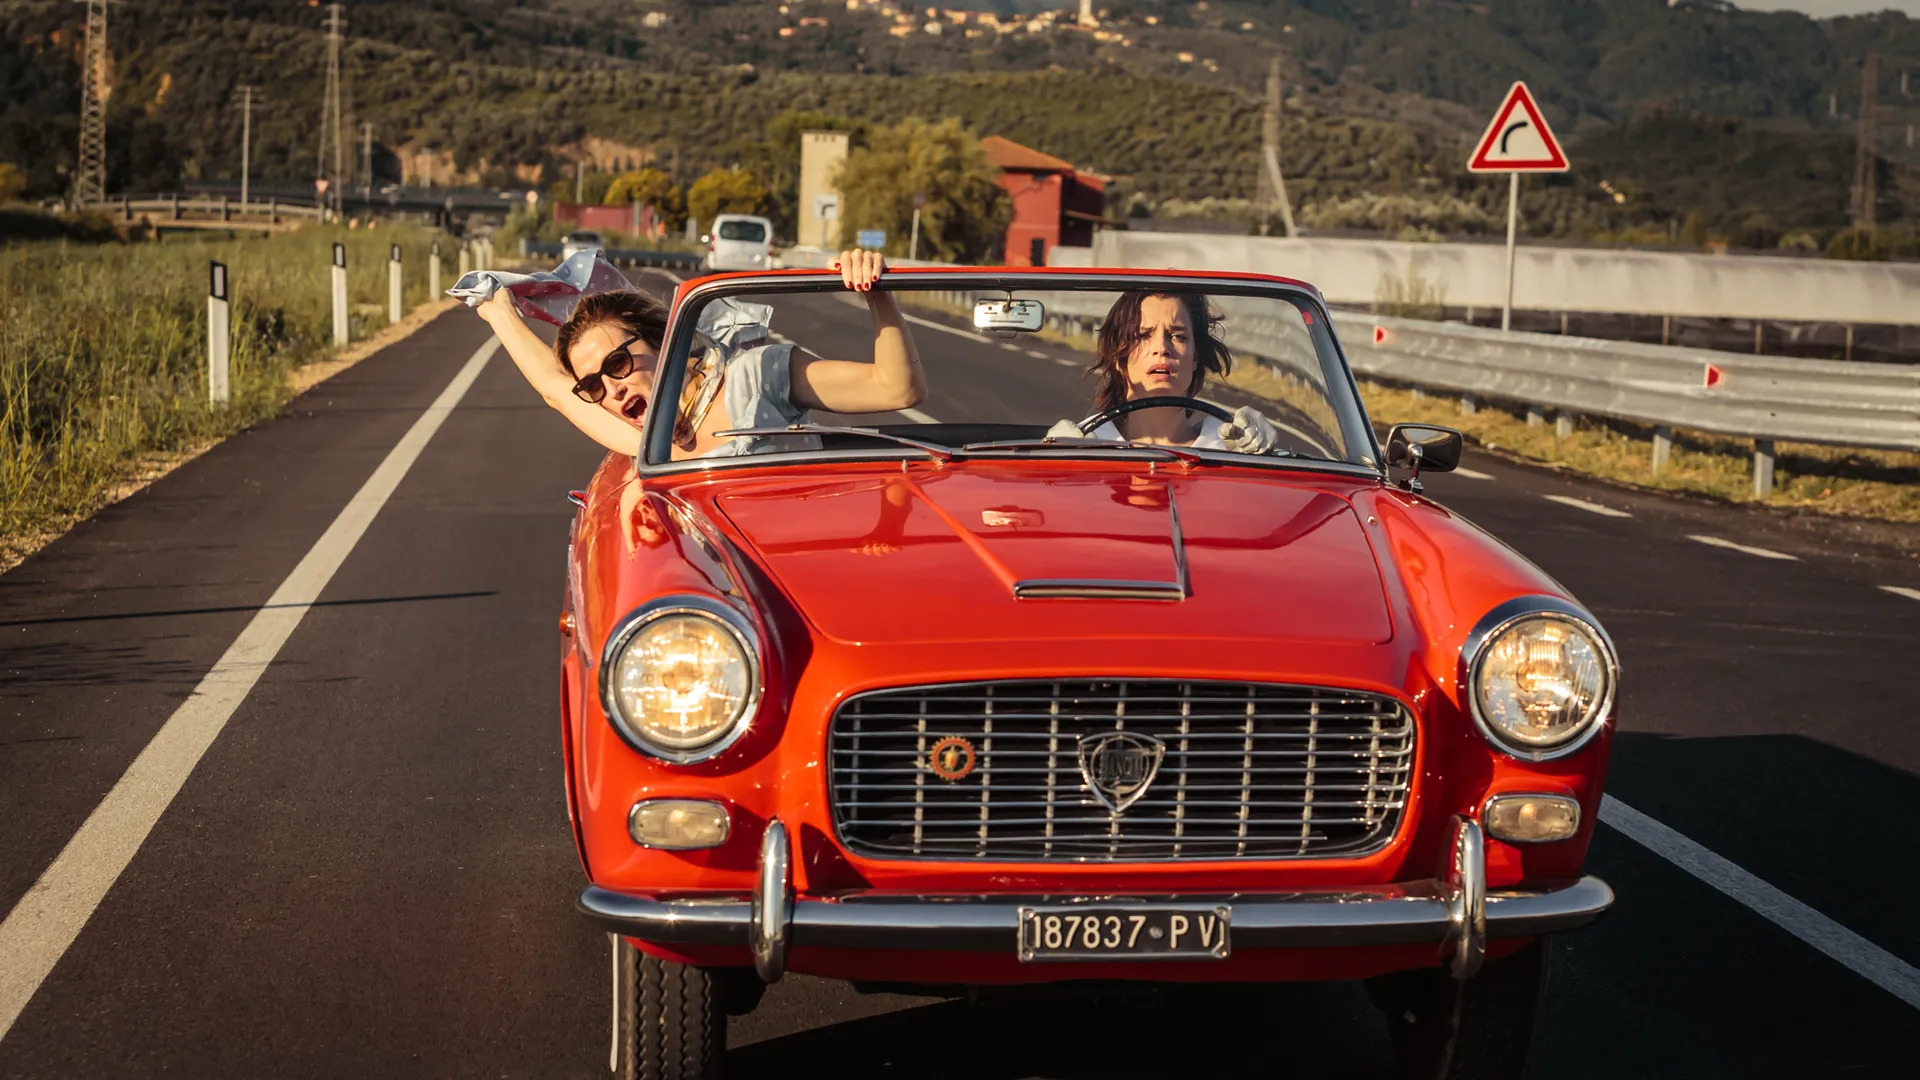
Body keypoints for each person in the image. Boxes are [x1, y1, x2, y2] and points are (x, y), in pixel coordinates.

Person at [475, 249, 926, 457]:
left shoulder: (754, 375)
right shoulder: (644, 440)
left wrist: (875, 291)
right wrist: (498, 312)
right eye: (593, 386)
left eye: (617, 363)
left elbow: (896, 389)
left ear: (659, 344)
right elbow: (555, 389)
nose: (611, 390)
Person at [1047, 290, 1279, 454]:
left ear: (1196, 357)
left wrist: (1267, 460)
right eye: (1143, 335)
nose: (1162, 348)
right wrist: (1050, 465)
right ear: (1119, 357)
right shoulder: (1085, 443)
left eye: (1178, 336)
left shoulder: (1229, 445)